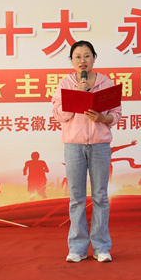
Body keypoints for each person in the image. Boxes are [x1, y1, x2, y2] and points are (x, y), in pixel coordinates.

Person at [52, 40, 122, 263]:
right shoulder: (65, 84)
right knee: (77, 198)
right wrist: (77, 95)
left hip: (100, 145)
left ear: (94, 58)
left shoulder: (105, 82)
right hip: (74, 146)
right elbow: (58, 115)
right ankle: (78, 248)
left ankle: (101, 247)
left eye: (87, 56)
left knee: (100, 196)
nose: (82, 61)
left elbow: (116, 114)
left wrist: (102, 117)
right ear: (72, 61)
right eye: (78, 57)